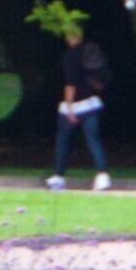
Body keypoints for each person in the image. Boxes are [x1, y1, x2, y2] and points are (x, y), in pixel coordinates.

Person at [48, 22, 113, 190]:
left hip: (75, 104)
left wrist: (69, 108)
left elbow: (70, 84)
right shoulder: (90, 51)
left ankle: (58, 175)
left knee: (63, 141)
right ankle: (102, 174)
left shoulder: (70, 56)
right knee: (93, 139)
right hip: (92, 103)